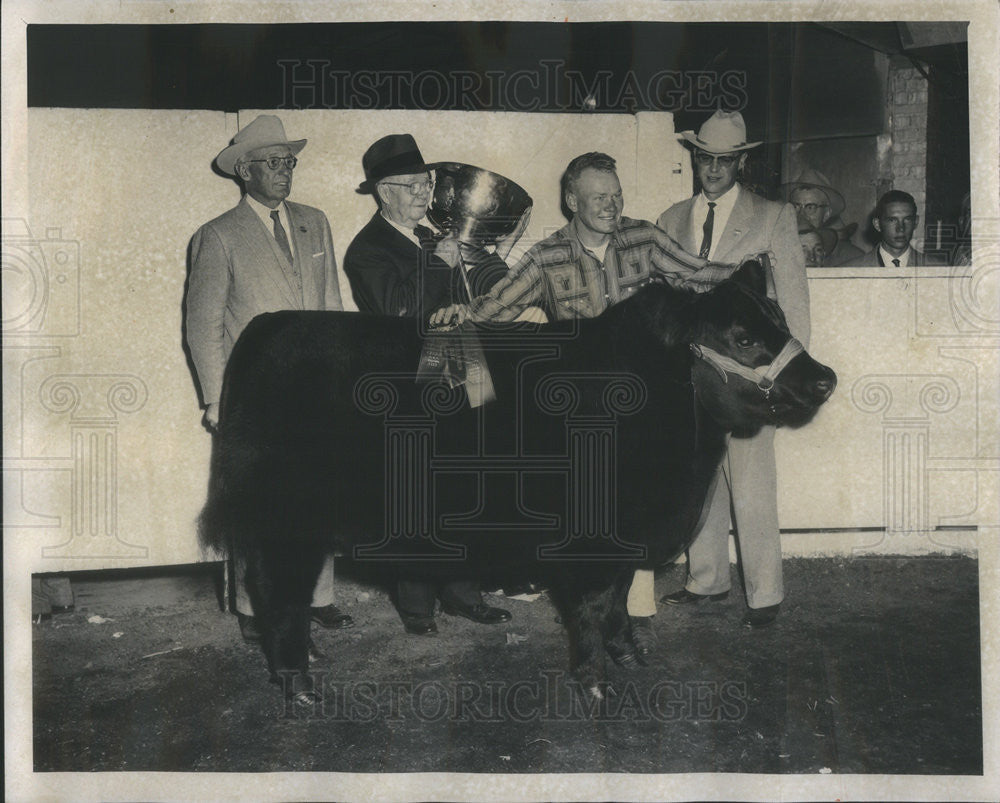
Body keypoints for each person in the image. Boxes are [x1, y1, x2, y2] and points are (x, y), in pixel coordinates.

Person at [430, 151, 735, 657]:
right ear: (572, 200)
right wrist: (461, 314)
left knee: (638, 513)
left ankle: (631, 622)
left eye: (616, 196)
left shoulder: (645, 238)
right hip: (582, 413)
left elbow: (701, 274)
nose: (611, 206)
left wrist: (755, 267)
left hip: (645, 408)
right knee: (595, 522)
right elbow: (496, 309)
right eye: (599, 198)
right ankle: (606, 625)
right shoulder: (546, 256)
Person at [186, 114, 353, 643]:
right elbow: (203, 326)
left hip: (316, 387)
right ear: (245, 173)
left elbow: (332, 304)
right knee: (257, 500)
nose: (285, 173)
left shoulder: (315, 220)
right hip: (255, 393)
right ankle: (251, 606)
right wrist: (216, 397)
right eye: (273, 164)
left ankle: (318, 597)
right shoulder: (217, 236)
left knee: (319, 492)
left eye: (290, 163)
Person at [343, 133, 513, 636]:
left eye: (426, 182)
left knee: (464, 484)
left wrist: (484, 262)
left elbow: (489, 289)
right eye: (411, 185)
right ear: (382, 192)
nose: (425, 192)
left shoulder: (436, 234)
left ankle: (464, 593)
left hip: (463, 372)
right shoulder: (367, 250)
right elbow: (398, 311)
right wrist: (440, 263)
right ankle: (417, 607)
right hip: (409, 384)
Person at [653, 109, 811, 630]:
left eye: (725, 159)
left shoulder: (772, 216)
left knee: (751, 484)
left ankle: (764, 596)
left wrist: (778, 378)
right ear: (694, 157)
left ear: (741, 161)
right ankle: (707, 579)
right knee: (700, 477)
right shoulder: (670, 220)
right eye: (706, 157)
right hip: (693, 380)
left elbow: (794, 308)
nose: (714, 168)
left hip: (748, 378)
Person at [782, 169, 864, 266]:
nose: (801, 215)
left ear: (826, 214)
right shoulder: (776, 250)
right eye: (795, 207)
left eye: (810, 207)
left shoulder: (851, 258)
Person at [854, 190, 944, 267]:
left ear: (916, 222)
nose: (901, 228)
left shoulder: (939, 269)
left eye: (907, 219)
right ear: (877, 224)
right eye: (892, 220)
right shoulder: (851, 270)